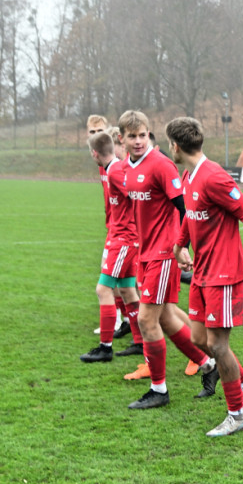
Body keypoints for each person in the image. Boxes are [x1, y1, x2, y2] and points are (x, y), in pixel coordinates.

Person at [167, 117, 243, 436]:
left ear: (176, 146)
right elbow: (190, 216)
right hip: (202, 273)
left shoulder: (215, 177)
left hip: (224, 273)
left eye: (169, 144)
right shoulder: (188, 175)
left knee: (218, 345)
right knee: (198, 339)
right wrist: (181, 244)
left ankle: (236, 414)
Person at [119, 110, 220, 409]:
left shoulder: (161, 165)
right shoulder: (126, 167)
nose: (138, 141)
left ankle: (159, 390)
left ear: (149, 135)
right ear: (122, 139)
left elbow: (184, 208)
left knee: (146, 318)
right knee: (164, 317)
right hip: (145, 252)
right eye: (132, 136)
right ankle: (208, 364)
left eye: (143, 135)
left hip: (165, 252)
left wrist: (183, 246)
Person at [79, 129, 144, 363]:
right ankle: (140, 341)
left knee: (103, 289)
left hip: (125, 239)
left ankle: (105, 348)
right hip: (122, 237)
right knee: (126, 290)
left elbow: (137, 195)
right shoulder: (111, 168)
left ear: (94, 153)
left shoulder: (115, 170)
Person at [86, 114, 126, 337]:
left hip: (123, 231)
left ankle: (116, 325)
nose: (95, 136)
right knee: (124, 282)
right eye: (91, 132)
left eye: (99, 132)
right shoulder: (102, 164)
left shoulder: (116, 165)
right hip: (113, 227)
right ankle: (126, 321)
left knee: (109, 280)